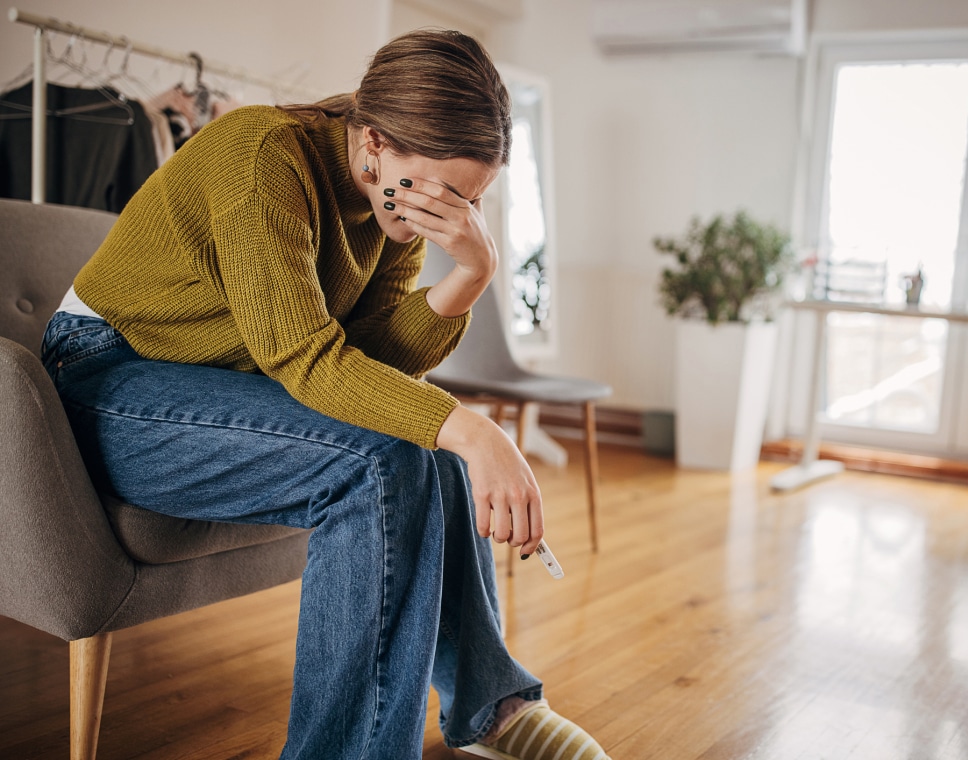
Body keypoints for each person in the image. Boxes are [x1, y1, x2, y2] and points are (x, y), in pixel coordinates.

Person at [41, 29, 610, 760]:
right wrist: (473, 429)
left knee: (423, 453)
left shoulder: (391, 201)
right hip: (104, 379)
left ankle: (489, 708)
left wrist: (469, 273)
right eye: (443, 193)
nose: (450, 216)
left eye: (469, 200)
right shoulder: (261, 160)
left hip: (220, 381)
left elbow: (370, 360)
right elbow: (307, 360)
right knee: (386, 461)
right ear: (374, 141)